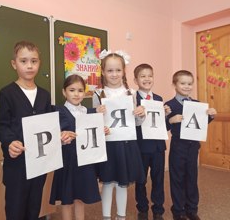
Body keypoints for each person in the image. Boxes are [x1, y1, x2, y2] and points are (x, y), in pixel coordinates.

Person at [0, 41, 53, 220]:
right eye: (23, 61)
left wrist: (60, 134)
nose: (29, 65)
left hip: (39, 161)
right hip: (17, 164)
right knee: (15, 206)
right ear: (14, 64)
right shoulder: (7, 93)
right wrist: (9, 142)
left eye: (34, 61)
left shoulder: (44, 95)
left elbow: (49, 124)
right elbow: (3, 125)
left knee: (34, 205)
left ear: (39, 63)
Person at [93, 50, 146, 220]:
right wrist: (97, 114)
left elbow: (136, 123)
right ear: (103, 72)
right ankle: (106, 217)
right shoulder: (98, 94)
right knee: (107, 183)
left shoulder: (131, 93)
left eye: (118, 70)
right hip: (108, 145)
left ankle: (121, 216)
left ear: (124, 71)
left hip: (126, 144)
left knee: (123, 184)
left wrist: (140, 114)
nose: (114, 74)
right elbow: (95, 124)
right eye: (110, 70)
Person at [50, 74, 109, 220]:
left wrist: (102, 130)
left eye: (80, 90)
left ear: (85, 92)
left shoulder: (89, 112)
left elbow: (92, 134)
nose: (76, 94)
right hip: (68, 161)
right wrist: (61, 136)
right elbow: (52, 136)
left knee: (80, 197)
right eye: (72, 90)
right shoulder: (57, 111)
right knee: (67, 198)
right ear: (64, 92)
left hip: (85, 161)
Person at [165, 70, 217, 220]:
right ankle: (178, 211)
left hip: (193, 147)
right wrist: (170, 120)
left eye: (189, 84)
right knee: (177, 179)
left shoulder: (197, 104)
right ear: (174, 85)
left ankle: (192, 209)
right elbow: (162, 128)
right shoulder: (169, 105)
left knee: (192, 178)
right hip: (178, 147)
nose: (187, 86)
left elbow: (200, 125)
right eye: (183, 83)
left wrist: (210, 116)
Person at [133, 64, 171, 220]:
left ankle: (158, 210)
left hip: (157, 147)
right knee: (140, 179)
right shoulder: (133, 99)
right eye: (143, 76)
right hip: (141, 146)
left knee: (158, 179)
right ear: (136, 80)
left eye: (150, 75)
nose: (147, 79)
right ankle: (142, 208)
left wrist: (166, 115)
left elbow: (159, 123)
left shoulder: (159, 99)